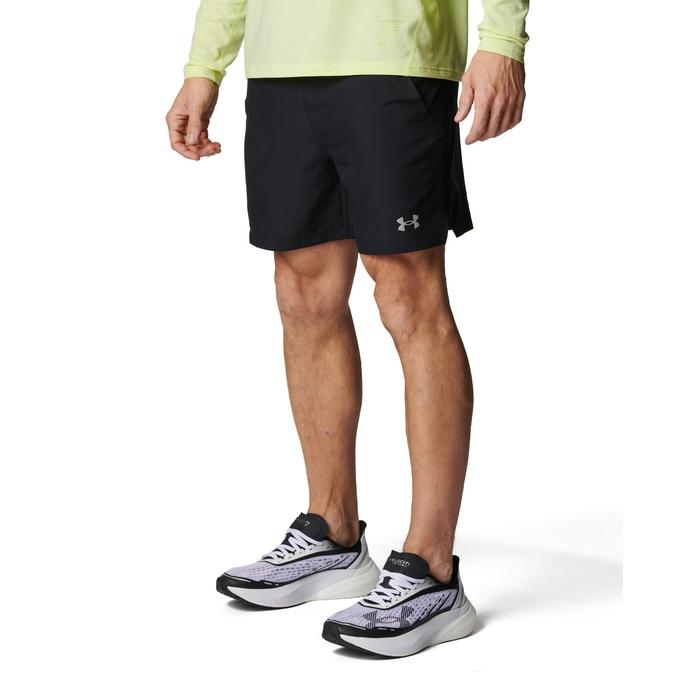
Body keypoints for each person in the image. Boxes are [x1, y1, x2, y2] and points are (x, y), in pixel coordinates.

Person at [167, 0, 529, 657]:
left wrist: (502, 38)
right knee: (303, 291)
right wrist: (204, 65)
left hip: (395, 54)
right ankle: (332, 535)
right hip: (280, 66)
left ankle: (432, 570)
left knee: (408, 296)